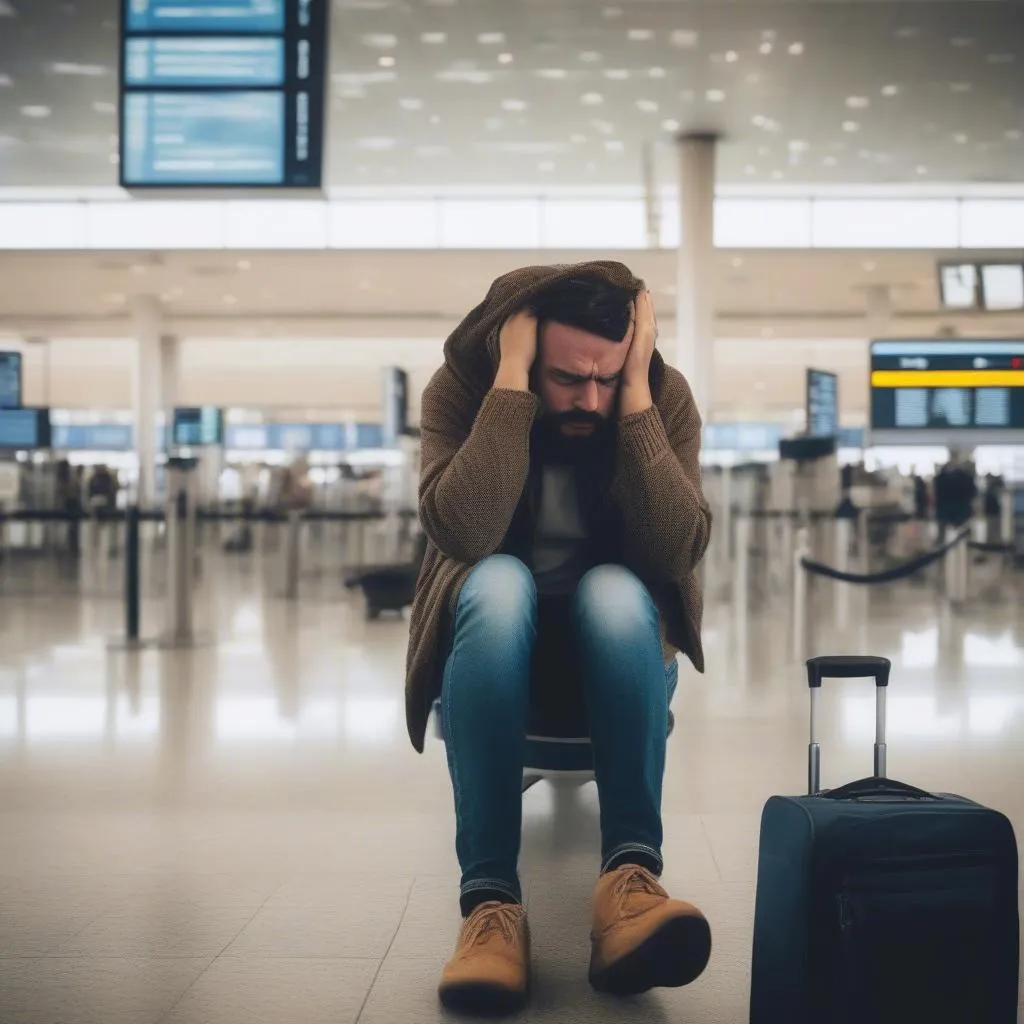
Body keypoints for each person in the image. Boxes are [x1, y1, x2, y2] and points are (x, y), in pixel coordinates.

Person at [405, 261, 712, 1014]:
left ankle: (631, 885)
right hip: (494, 647)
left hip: (620, 649)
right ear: (520, 349)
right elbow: (464, 528)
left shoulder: (659, 398)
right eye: (568, 378)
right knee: (498, 579)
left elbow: (677, 550)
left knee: (615, 589)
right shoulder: (462, 393)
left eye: (608, 376)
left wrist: (638, 400)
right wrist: (509, 389)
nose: (590, 398)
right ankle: (490, 907)